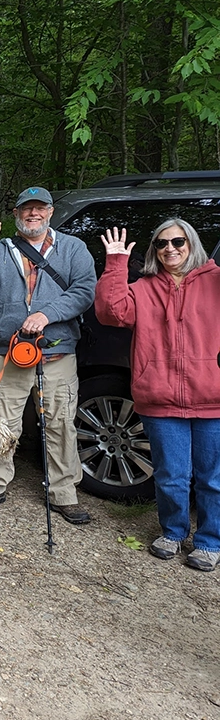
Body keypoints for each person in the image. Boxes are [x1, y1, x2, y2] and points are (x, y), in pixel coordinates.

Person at [0, 186, 97, 524]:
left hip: (56, 353)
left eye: (39, 209)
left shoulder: (73, 248)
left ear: (50, 212)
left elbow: (84, 290)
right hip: (6, 352)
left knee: (60, 423)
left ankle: (64, 493)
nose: (32, 214)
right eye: (25, 209)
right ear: (16, 215)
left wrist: (47, 315)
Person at [95, 221, 220, 571]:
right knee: (170, 475)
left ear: (191, 243)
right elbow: (110, 311)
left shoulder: (214, 280)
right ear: (154, 250)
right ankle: (174, 532)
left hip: (212, 398)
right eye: (162, 243)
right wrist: (117, 263)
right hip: (161, 397)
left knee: (212, 478)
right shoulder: (144, 288)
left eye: (178, 241)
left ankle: (210, 541)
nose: (170, 248)